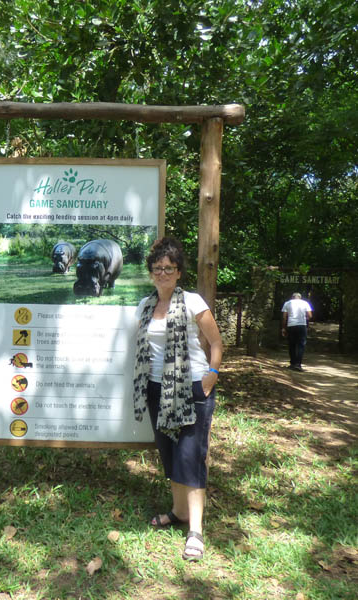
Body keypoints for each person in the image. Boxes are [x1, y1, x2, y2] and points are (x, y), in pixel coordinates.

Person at [133, 236, 223, 561]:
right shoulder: (145, 306)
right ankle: (178, 511)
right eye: (157, 268)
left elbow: (216, 342)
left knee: (191, 457)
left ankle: (195, 531)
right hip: (157, 390)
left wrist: (211, 376)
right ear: (151, 272)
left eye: (169, 268)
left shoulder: (193, 302)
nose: (163, 274)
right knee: (170, 454)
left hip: (191, 390)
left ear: (178, 272)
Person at [281, 292, 313, 371]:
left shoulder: (287, 303)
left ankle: (292, 363)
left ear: (292, 297)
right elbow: (310, 315)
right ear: (300, 297)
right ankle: (298, 364)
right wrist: (305, 318)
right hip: (302, 325)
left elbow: (284, 317)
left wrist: (283, 328)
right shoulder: (305, 303)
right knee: (301, 345)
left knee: (292, 344)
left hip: (291, 325)